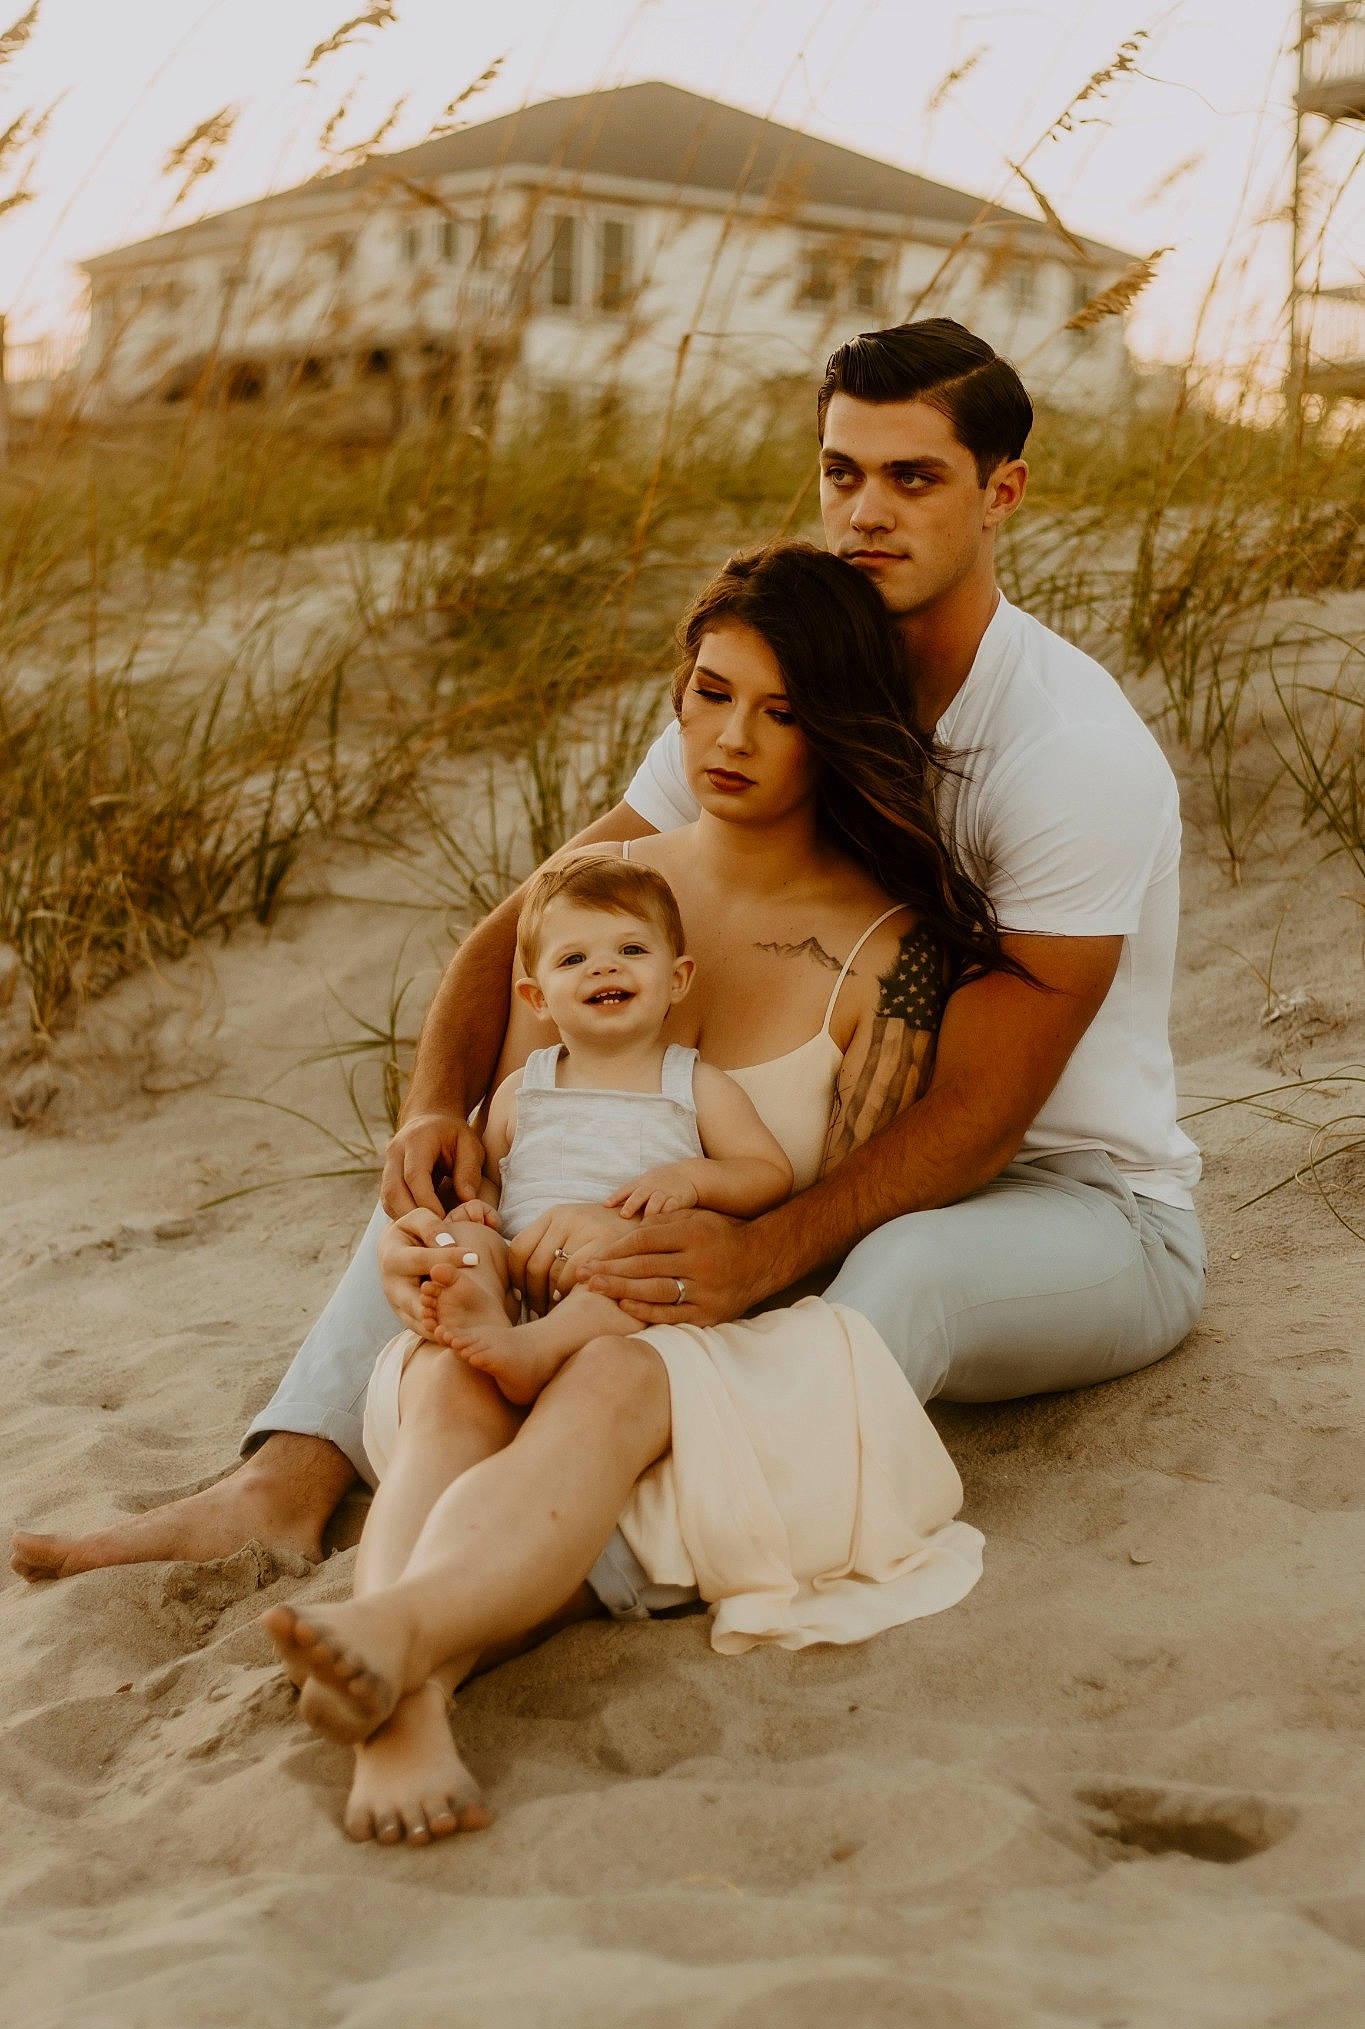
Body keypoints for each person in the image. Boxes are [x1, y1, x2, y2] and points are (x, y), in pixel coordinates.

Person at [10, 316, 1205, 1601]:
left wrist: (761, 1249)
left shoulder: (1066, 753)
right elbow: (536, 913)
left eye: (913, 478)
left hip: (1066, 1203)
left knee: (891, 1267)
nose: (867, 511)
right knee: (513, 1148)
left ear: (1001, 492)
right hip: (853, 1149)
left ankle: (582, 1554)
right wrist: (432, 1110)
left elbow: (982, 1116)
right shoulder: (779, 681)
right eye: (842, 471)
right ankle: (285, 1481)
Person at [262, 541, 995, 1843]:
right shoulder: (599, 897)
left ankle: (403, 1659)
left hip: (712, 1330)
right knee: (443, 1379)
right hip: (521, 1310)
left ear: (842, 730)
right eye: (710, 693)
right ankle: (404, 1703)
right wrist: (447, 1236)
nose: (732, 738)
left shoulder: (899, 956)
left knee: (596, 1383)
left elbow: (850, 1213)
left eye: (783, 712)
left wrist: (666, 1224)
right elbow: (504, 1134)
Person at [377, 852, 794, 1409]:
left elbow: (768, 1173)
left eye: (632, 949)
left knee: (628, 1276)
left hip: (617, 1270)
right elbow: (495, 1179)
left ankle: (536, 1348)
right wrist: (478, 1208)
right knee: (467, 1245)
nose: (605, 968)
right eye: (574, 958)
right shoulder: (522, 1088)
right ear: (538, 998)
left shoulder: (692, 1083)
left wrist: (691, 1179)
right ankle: (480, 1313)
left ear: (676, 978)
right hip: (522, 1263)